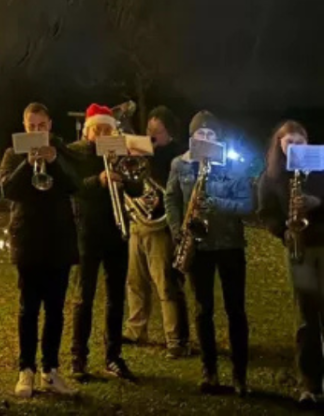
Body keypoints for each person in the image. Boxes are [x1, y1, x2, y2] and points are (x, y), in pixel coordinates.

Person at [166, 110, 253, 395]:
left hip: (229, 245)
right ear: (191, 138)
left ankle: (240, 375)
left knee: (235, 310)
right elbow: (171, 198)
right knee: (203, 310)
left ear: (218, 139)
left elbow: (247, 206)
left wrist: (216, 202)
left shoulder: (235, 166)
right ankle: (209, 371)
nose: (204, 139)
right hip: (198, 246)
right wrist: (179, 230)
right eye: (199, 135)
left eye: (210, 135)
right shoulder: (180, 164)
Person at [0, 103, 79, 397]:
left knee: (56, 310)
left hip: (58, 240)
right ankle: (26, 369)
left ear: (50, 126)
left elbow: (75, 184)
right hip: (29, 239)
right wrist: (27, 163)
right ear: (24, 127)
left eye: (41, 126)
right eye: (31, 126)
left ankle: (51, 369)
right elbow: (7, 190)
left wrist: (54, 160)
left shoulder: (62, 150)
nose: (36, 131)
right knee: (28, 309)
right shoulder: (13, 153)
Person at [68, 103, 141, 382]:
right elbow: (73, 187)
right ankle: (78, 357)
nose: (101, 133)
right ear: (88, 130)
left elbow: (137, 188)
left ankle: (113, 356)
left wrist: (129, 175)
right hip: (87, 230)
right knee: (84, 297)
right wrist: (98, 179)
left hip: (116, 230)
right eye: (97, 129)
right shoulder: (76, 152)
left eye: (107, 129)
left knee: (115, 297)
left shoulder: (118, 150)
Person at [258, 120, 324, 406]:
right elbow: (265, 213)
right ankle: (309, 384)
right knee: (306, 318)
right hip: (299, 251)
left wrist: (317, 203)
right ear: (280, 145)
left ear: (307, 143)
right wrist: (283, 230)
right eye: (289, 143)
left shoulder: (321, 171)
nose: (294, 147)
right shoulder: (271, 176)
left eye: (300, 142)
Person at [122, 107, 191, 359]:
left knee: (166, 283)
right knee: (135, 280)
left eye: (156, 131)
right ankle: (136, 329)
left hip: (161, 227)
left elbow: (175, 193)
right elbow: (133, 181)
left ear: (169, 132)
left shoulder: (178, 155)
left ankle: (176, 338)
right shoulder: (142, 151)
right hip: (138, 222)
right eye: (148, 131)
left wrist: (158, 201)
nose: (151, 136)